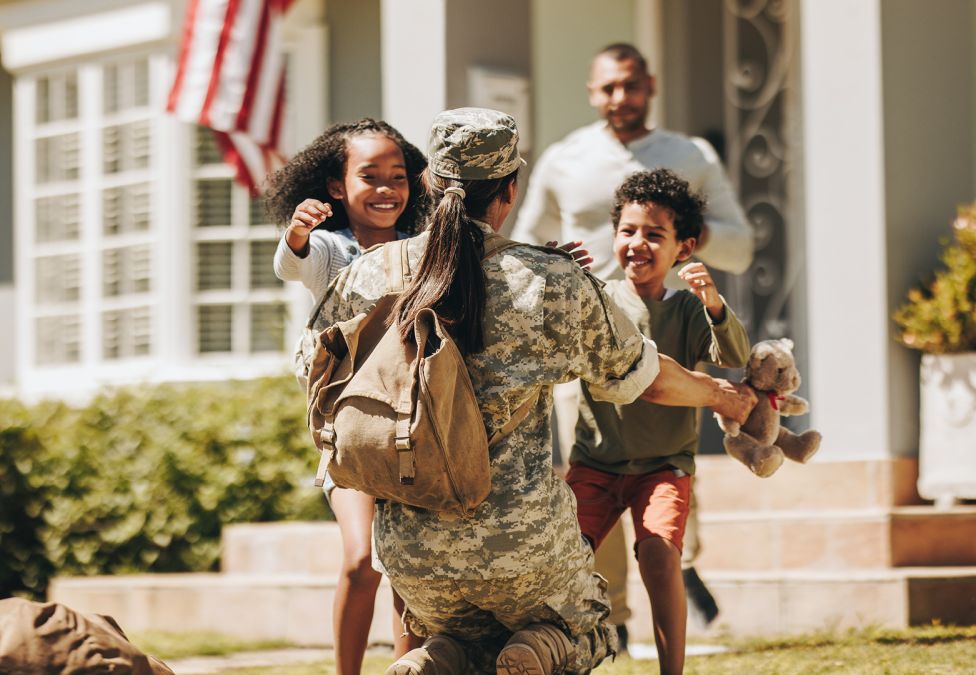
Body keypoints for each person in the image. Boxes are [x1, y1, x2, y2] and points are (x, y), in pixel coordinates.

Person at [315, 107, 755, 675]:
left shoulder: (367, 273)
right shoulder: (550, 280)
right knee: (587, 625)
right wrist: (720, 396)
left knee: (451, 626)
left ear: (427, 181)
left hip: (413, 552)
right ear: (510, 189)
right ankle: (540, 645)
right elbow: (645, 378)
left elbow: (317, 378)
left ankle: (436, 655)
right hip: (526, 551)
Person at [510, 42, 755, 640]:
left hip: (662, 333)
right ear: (592, 93)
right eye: (607, 88)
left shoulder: (689, 155)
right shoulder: (565, 158)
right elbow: (523, 242)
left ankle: (678, 574)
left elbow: (742, 245)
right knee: (592, 472)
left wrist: (669, 232)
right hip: (588, 339)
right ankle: (613, 620)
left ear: (650, 85)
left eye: (630, 85)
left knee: (661, 477)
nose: (620, 98)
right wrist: (561, 276)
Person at [567, 169, 750, 675]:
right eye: (627, 231)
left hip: (663, 466)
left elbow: (733, 354)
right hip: (595, 464)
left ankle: (673, 668)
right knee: (566, 559)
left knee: (660, 555)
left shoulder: (689, 310)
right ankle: (562, 655)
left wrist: (714, 302)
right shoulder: (598, 301)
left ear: (684, 248)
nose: (637, 244)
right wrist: (562, 271)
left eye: (654, 234)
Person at [264, 118, 430, 675]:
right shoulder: (334, 251)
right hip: (349, 432)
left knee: (407, 567)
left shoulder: (422, 249)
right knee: (363, 561)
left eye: (398, 176)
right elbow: (294, 264)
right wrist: (297, 234)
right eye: (370, 176)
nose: (386, 188)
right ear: (336, 187)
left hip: (412, 428)